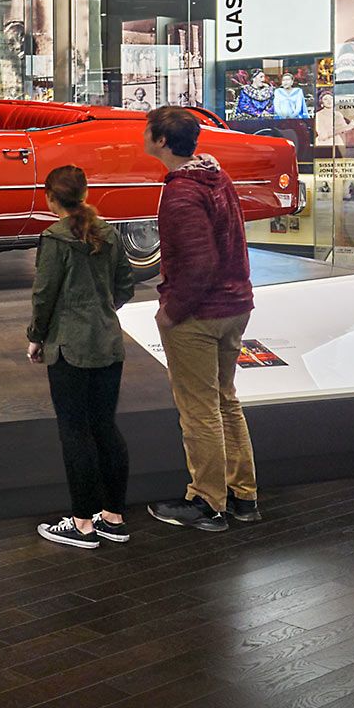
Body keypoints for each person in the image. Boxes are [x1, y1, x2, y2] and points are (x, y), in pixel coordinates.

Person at [142, 106, 259, 533]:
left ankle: (208, 503)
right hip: (235, 306)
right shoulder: (217, 177)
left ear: (161, 141)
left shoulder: (181, 193)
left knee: (199, 411)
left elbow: (199, 263)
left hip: (200, 314)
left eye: (146, 131)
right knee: (225, 401)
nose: (143, 136)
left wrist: (171, 312)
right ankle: (243, 496)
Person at [27, 165, 136, 551]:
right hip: (108, 343)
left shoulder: (54, 238)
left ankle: (82, 524)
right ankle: (113, 518)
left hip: (68, 347)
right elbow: (125, 285)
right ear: (85, 193)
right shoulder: (109, 232)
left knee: (75, 432)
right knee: (105, 427)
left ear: (50, 198)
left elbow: (44, 295)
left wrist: (36, 337)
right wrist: (102, 311)